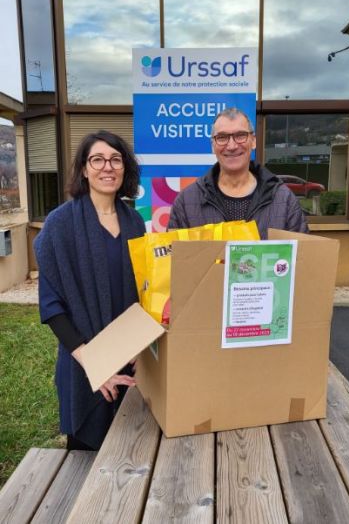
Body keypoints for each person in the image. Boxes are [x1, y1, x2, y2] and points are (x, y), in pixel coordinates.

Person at [35, 131, 145, 450]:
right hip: (83, 363)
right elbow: (53, 308)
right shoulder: (60, 225)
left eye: (115, 159)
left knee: (131, 452)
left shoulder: (135, 223)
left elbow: (143, 293)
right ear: (84, 169)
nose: (107, 167)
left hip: (129, 359)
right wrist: (97, 365)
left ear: (125, 168)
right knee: (85, 463)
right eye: (97, 159)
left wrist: (141, 349)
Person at [168, 107, 308, 236]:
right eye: (222, 137)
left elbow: (302, 258)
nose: (232, 146)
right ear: (213, 146)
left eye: (240, 135)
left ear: (253, 141)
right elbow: (173, 260)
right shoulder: (187, 202)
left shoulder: (283, 199)